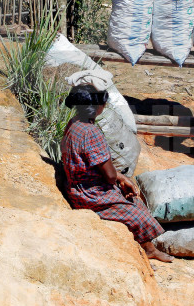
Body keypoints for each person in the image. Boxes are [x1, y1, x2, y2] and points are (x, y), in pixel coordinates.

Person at [60, 86, 172, 264]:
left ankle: (146, 245)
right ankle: (149, 250)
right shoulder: (91, 132)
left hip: (78, 186)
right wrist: (119, 178)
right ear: (97, 107)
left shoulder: (75, 123)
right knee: (138, 215)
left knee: (134, 200)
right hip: (90, 195)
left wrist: (121, 178)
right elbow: (110, 176)